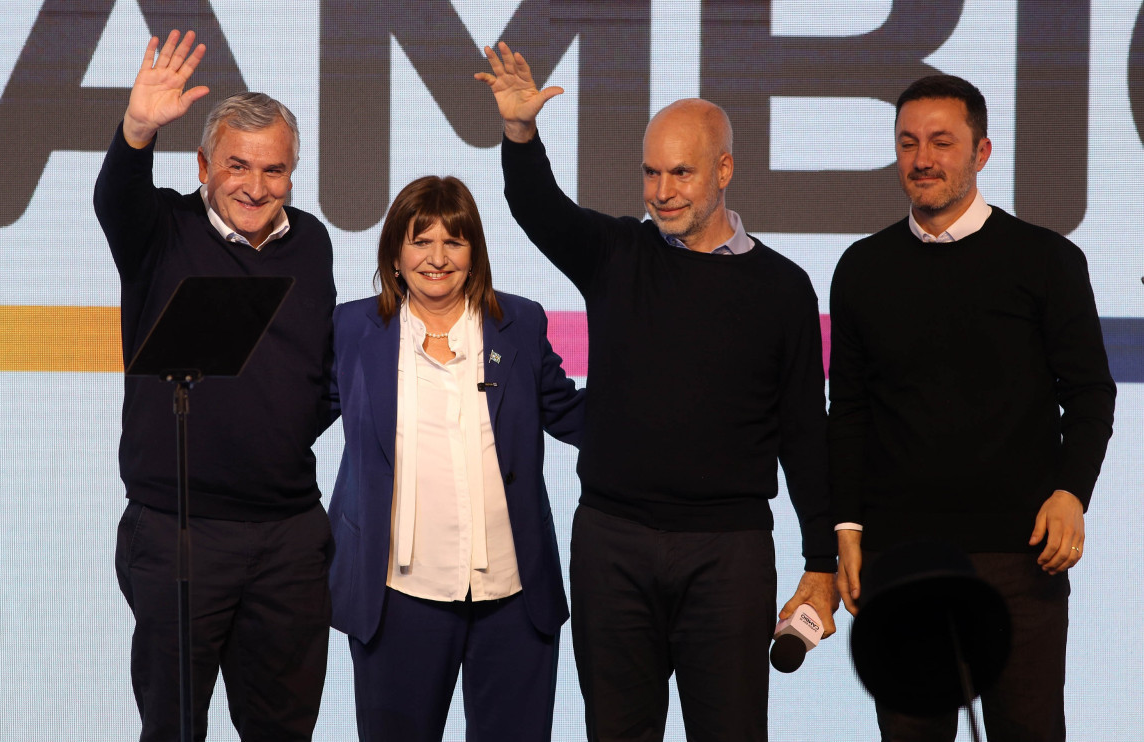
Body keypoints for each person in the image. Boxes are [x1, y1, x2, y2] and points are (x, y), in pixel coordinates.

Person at [476, 42, 838, 741]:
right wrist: (521, 133)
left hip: (728, 554)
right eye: (650, 173)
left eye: (681, 173)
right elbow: (538, 207)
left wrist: (820, 561)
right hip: (613, 546)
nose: (662, 191)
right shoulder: (617, 254)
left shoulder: (782, 287)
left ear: (724, 170)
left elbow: (804, 433)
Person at [827, 74, 1116, 741]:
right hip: (903, 563)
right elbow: (848, 411)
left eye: (941, 142)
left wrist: (1073, 492)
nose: (921, 158)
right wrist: (846, 529)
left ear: (981, 152)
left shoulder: (1046, 260)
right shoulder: (863, 268)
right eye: (907, 143)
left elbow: (1091, 392)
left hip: (1021, 561)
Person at [93, 31, 337, 741]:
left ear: (292, 173)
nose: (255, 186)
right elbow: (117, 198)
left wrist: (288, 430)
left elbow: (310, 370)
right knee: (173, 727)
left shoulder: (313, 243)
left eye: (274, 170)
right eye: (237, 165)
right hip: (180, 534)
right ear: (203, 165)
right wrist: (137, 129)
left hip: (290, 537)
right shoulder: (161, 230)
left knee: (284, 730)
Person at [326, 175, 583, 741]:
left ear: (475, 254)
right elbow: (293, 419)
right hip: (398, 596)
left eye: (454, 242)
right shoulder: (351, 329)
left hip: (513, 598)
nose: (437, 258)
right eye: (421, 241)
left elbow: (570, 415)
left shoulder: (520, 323)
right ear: (395, 252)